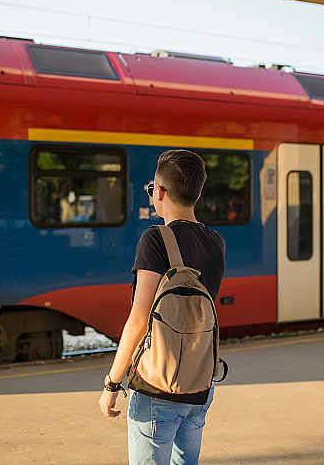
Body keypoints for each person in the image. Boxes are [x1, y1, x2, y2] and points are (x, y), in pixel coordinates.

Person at [98, 149, 226, 465]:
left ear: (160, 192)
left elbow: (139, 320)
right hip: (200, 383)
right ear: (197, 193)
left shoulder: (155, 239)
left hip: (158, 385)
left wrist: (112, 382)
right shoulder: (215, 241)